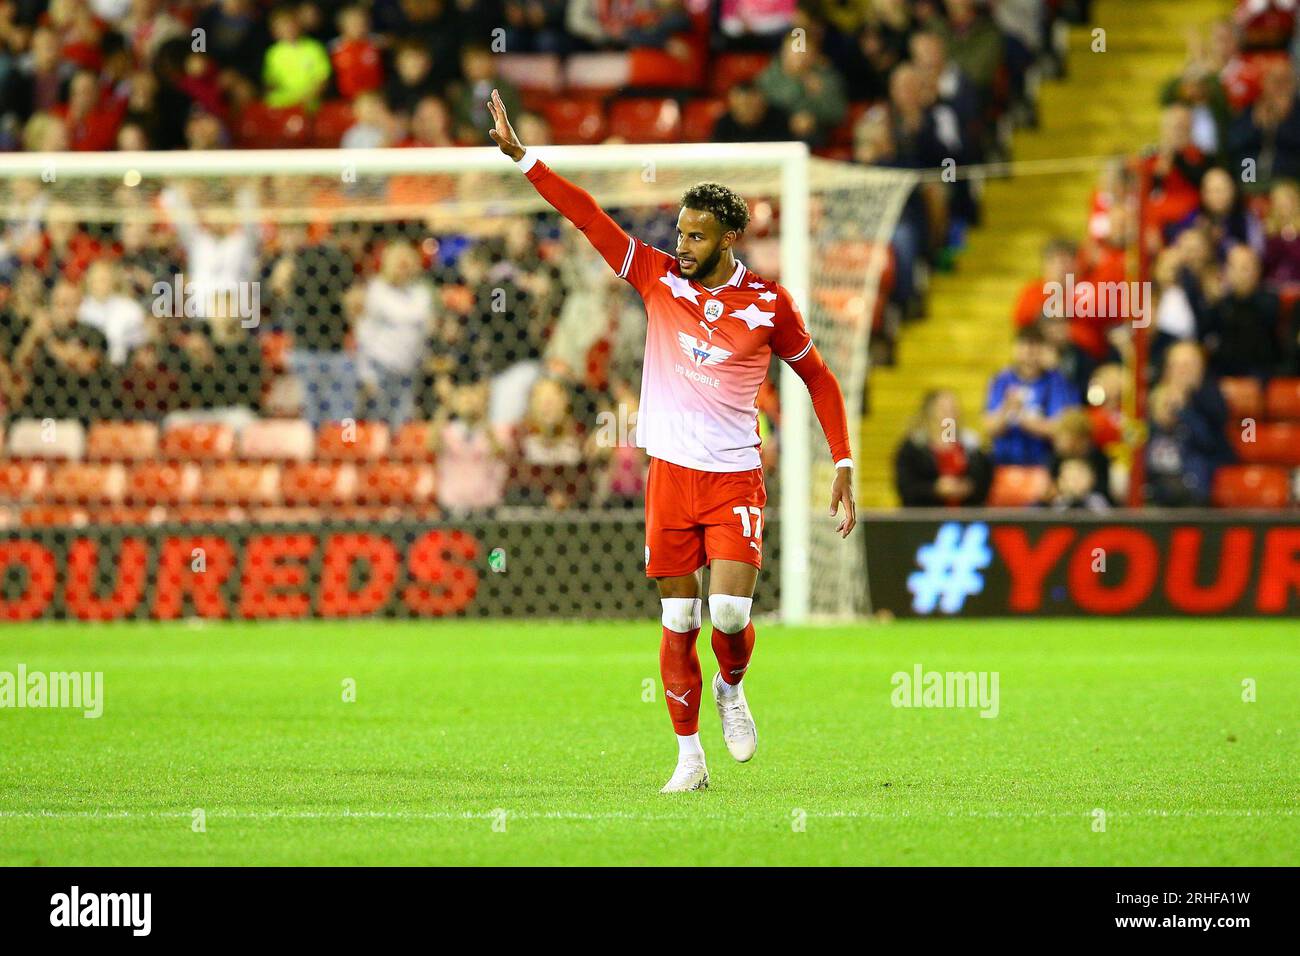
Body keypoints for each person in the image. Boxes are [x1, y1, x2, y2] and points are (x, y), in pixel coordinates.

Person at [488, 88, 856, 793]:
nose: (680, 246)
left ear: (727, 239)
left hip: (733, 477)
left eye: (695, 237)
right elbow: (589, 218)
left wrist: (841, 458)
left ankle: (732, 685)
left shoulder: (770, 304)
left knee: (728, 614)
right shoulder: (657, 278)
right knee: (679, 615)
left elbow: (820, 377)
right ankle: (689, 760)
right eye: (679, 233)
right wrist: (525, 158)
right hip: (669, 476)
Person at [983, 324, 1077, 467]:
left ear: (1043, 350)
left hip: (1042, 465)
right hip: (1003, 464)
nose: (1029, 352)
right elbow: (989, 427)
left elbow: (1059, 428)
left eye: (1034, 346)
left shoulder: (1055, 382)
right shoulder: (1002, 380)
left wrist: (1022, 418)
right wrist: (1006, 409)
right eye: (1024, 345)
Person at [893, 388, 991, 506]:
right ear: (930, 412)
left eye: (953, 408)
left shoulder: (971, 445)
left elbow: (984, 479)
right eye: (944, 409)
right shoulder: (913, 447)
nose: (950, 414)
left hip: (967, 514)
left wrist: (968, 487)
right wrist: (934, 489)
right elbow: (906, 487)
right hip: (926, 515)